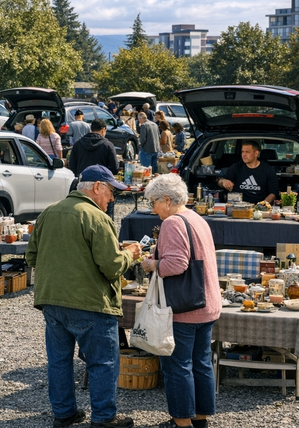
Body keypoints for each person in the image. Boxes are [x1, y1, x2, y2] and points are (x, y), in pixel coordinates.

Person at [26, 165, 140, 428]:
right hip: (90, 303)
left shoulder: (49, 212)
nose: (112, 198)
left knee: (59, 361)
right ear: (97, 187)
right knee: (102, 362)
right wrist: (130, 254)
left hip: (52, 301)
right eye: (111, 191)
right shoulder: (97, 218)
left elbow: (32, 257)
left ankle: (64, 413)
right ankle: (103, 418)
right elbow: (111, 266)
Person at [141, 174, 221, 428]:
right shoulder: (197, 218)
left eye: (153, 202)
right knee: (201, 364)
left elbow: (176, 264)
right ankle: (200, 420)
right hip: (206, 303)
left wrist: (151, 264)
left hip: (184, 307)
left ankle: (181, 422)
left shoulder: (173, 222)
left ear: (167, 199)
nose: (152, 208)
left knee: (178, 367)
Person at [69, 118, 119, 217]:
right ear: (103, 129)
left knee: (82, 217)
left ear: (91, 129)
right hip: (102, 188)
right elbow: (114, 168)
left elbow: (72, 167)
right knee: (105, 218)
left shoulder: (78, 144)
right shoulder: (108, 145)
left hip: (83, 187)